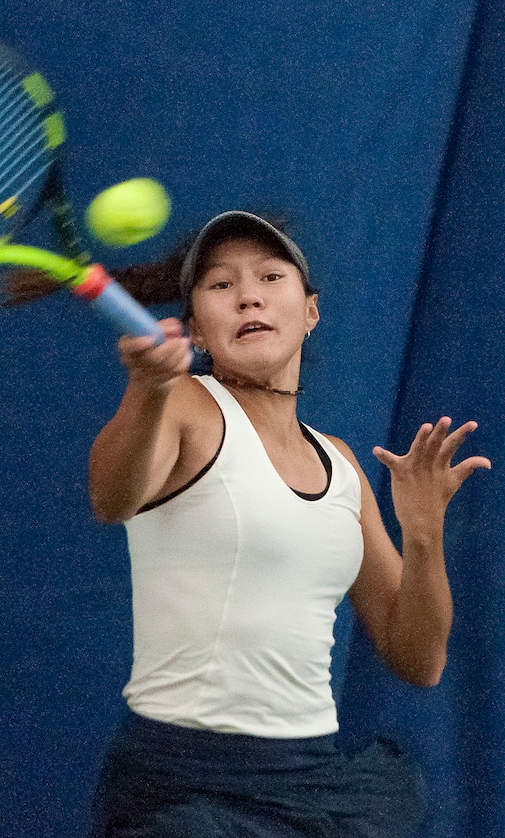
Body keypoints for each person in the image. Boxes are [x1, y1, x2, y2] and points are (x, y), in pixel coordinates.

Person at [86, 211, 491, 838]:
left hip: (311, 783)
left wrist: (423, 532)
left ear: (310, 311)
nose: (247, 294)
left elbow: (419, 660)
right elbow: (112, 499)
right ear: (195, 328)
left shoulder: (341, 463)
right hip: (182, 783)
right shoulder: (186, 406)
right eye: (220, 285)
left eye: (270, 276)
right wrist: (147, 389)